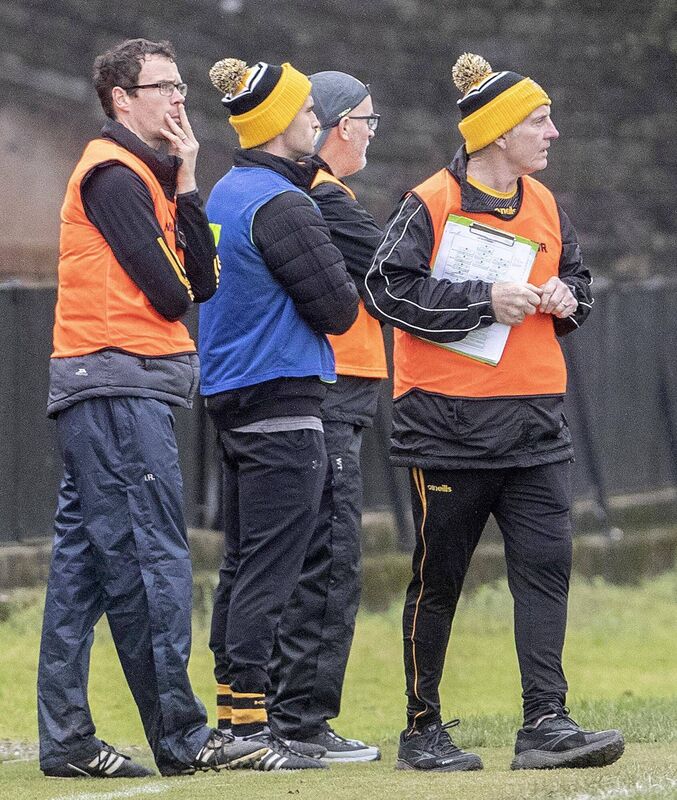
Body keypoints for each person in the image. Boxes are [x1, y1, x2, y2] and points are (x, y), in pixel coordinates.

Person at [364, 53, 624, 772]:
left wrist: (569, 298)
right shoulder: (427, 202)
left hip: (536, 427)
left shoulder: (544, 203)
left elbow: (576, 276)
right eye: (539, 121)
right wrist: (483, 301)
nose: (553, 133)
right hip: (445, 427)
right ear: (499, 133)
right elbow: (385, 291)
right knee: (438, 578)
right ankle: (421, 731)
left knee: (546, 570)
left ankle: (545, 722)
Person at [37, 38, 265, 779]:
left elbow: (198, 281)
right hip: (113, 386)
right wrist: (177, 193)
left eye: (180, 88)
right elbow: (171, 293)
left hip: (115, 387)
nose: (178, 101)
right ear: (120, 99)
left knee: (82, 570)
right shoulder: (112, 175)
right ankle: (184, 737)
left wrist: (192, 180)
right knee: (151, 560)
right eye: (162, 87)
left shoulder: (156, 177)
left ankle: (68, 740)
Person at [200, 57, 359, 771]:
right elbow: (336, 308)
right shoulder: (284, 203)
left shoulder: (225, 194)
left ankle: (234, 717)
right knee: (272, 568)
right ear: (274, 126)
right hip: (283, 403)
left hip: (232, 400)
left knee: (242, 562)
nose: (316, 122)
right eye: (304, 113)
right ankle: (249, 733)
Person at [267, 71, 386, 762]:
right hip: (331, 392)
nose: (372, 133)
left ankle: (278, 714)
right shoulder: (325, 199)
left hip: (334, 390)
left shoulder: (318, 196)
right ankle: (300, 722)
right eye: (368, 120)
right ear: (342, 125)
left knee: (314, 554)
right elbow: (393, 268)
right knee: (332, 558)